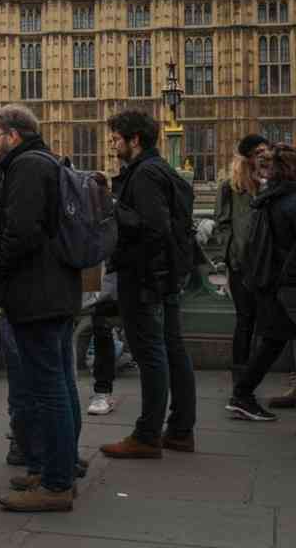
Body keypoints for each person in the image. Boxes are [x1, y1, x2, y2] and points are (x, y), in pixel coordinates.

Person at [0, 105, 81, 513]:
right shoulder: (49, 161)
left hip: (36, 293)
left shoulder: (25, 168)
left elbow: (20, 233)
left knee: (49, 388)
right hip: (58, 288)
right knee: (60, 381)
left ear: (13, 135)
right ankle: (58, 467)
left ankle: (56, 484)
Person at [100, 110, 197, 460]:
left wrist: (110, 206)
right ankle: (181, 430)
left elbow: (152, 228)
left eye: (115, 140)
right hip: (167, 275)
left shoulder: (143, 175)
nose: (113, 146)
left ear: (134, 139)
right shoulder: (163, 170)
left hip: (145, 279)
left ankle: (147, 434)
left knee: (150, 354)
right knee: (173, 349)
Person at [225, 144, 296, 431]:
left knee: (276, 339)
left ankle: (243, 394)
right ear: (294, 170)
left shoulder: (267, 198)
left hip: (272, 282)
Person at [214, 136, 270, 388]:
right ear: (246, 157)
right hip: (242, 264)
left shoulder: (271, 183)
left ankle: (253, 377)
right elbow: (222, 224)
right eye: (259, 151)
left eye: (266, 151)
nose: (264, 155)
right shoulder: (231, 186)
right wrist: (231, 256)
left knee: (267, 322)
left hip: (270, 264)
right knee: (245, 320)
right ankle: (241, 379)